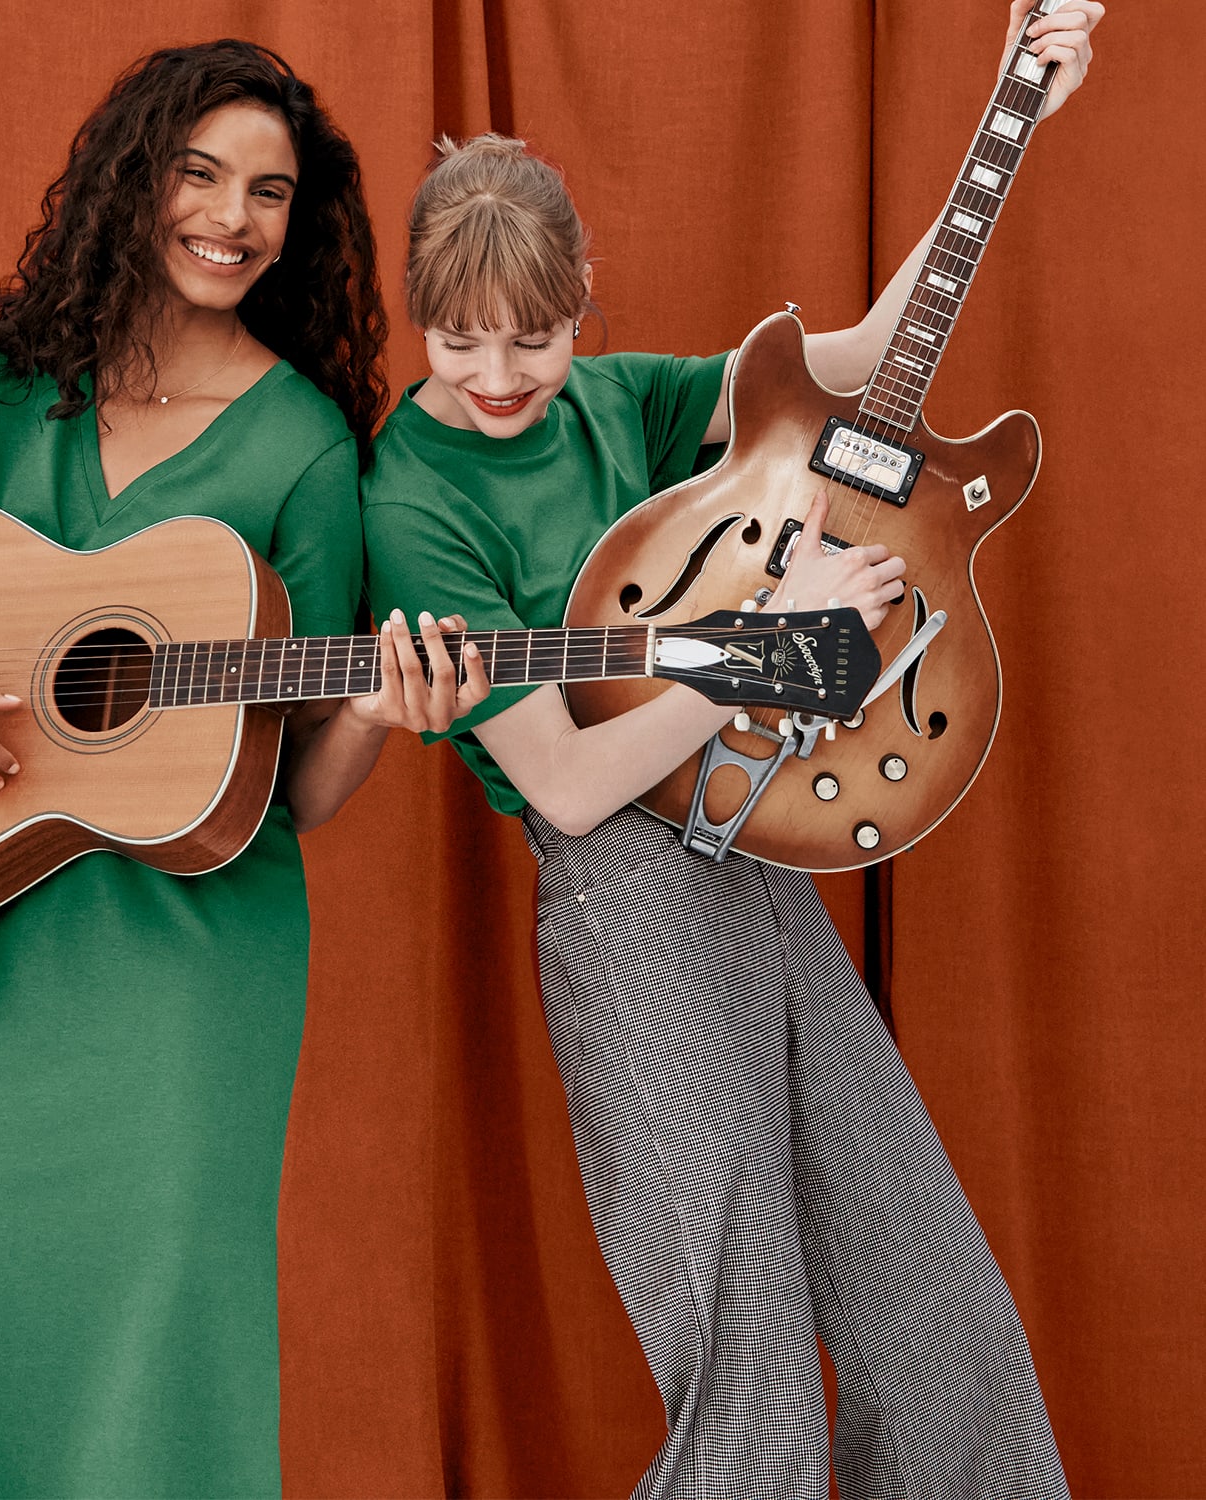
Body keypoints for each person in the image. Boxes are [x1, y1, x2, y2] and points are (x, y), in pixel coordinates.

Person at [0, 39, 484, 1499]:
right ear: (132, 179)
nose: (233, 215)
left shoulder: (306, 446)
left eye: (270, 190)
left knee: (163, 1338)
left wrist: (382, 708)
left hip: (197, 978)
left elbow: (297, 789)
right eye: (200, 173)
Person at [361, 4, 1103, 1494]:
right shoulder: (407, 496)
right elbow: (569, 779)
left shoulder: (620, 400)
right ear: (414, 316)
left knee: (945, 1330)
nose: (500, 377)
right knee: (751, 1391)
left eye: (538, 338)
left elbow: (874, 348)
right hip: (623, 892)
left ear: (588, 303)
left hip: (757, 855)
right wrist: (787, 639)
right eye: (459, 343)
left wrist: (1015, 111)